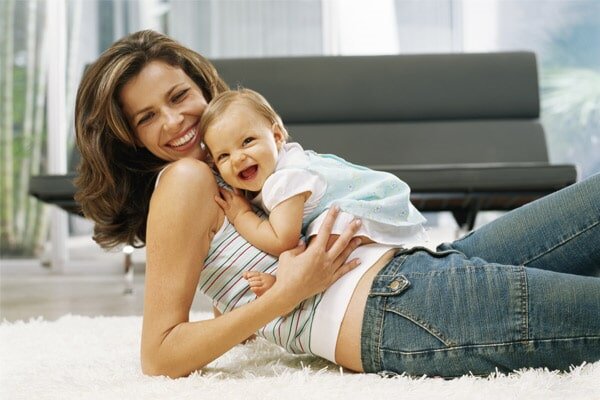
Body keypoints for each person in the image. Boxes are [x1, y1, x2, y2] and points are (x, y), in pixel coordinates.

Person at [74, 29, 600, 379]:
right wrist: (288, 293)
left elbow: (232, 278)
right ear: (128, 138)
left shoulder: (232, 165)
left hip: (423, 265)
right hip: (394, 308)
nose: (172, 121)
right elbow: (160, 354)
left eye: (178, 95)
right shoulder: (185, 178)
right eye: (145, 118)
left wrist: (259, 293)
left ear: (203, 88)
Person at [200, 88, 427, 296]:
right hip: (377, 201)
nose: (237, 158)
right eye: (223, 156)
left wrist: (241, 216)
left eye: (247, 141)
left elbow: (282, 240)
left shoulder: (283, 180)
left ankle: (282, 285)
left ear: (277, 136)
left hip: (365, 211)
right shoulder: (280, 163)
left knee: (315, 247)